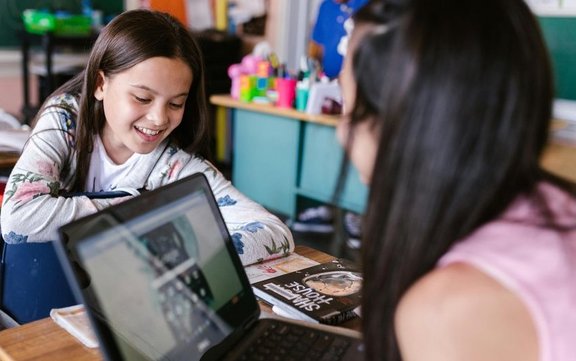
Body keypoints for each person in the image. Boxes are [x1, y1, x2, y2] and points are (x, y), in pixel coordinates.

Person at [337, 0, 576, 360]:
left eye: (347, 106)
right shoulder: (556, 207)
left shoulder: (446, 310)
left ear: (412, 127)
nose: (341, 132)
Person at [1, 9, 294, 267]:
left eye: (176, 103)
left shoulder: (172, 164)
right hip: (39, 298)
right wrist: (138, 210)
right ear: (101, 84)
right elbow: (18, 219)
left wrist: (197, 251)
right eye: (142, 97)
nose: (159, 118)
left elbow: (274, 232)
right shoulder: (65, 120)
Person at [309, 0, 369, 79]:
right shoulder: (325, 6)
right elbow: (317, 45)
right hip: (328, 80)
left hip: (357, 81)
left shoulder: (367, 5)